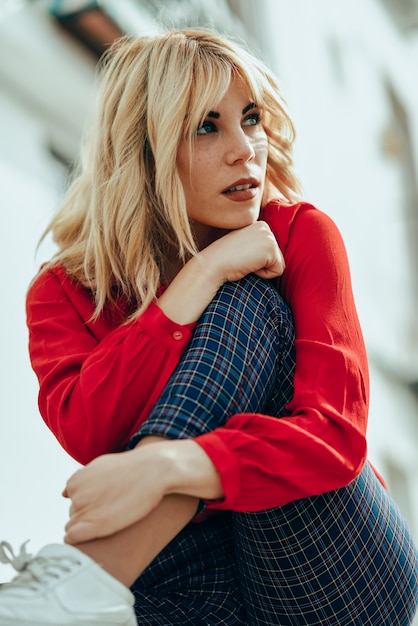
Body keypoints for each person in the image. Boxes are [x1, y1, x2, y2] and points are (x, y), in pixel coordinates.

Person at [0, 27, 417, 626]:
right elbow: (90, 430)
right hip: (189, 586)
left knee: (250, 298)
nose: (246, 148)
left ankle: (89, 575)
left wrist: (169, 464)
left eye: (250, 119)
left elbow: (334, 436)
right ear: (144, 151)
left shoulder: (298, 235)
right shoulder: (65, 292)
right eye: (207, 126)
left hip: (332, 572)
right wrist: (197, 280)